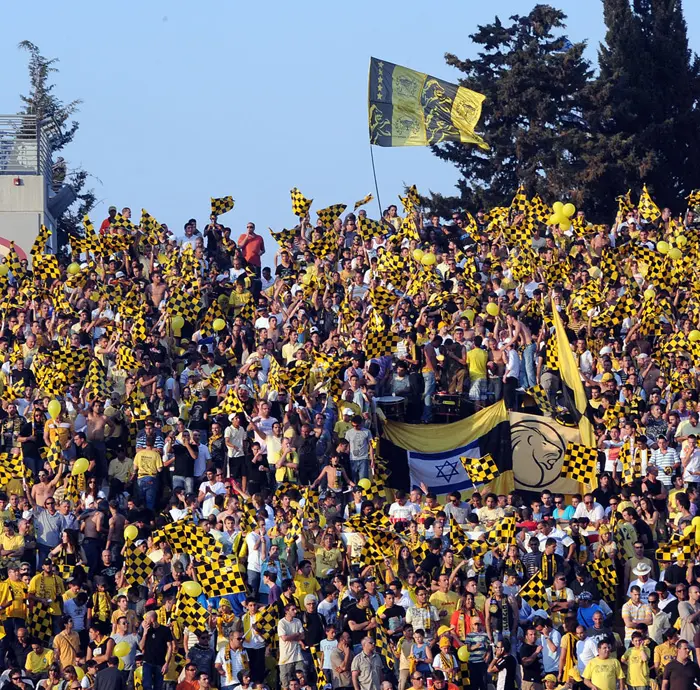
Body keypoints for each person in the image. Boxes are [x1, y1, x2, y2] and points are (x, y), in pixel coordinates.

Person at [139, 611, 174, 690]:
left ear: (151, 619)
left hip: (160, 663)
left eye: (146, 619)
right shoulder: (146, 630)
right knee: (147, 686)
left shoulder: (165, 630)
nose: (145, 621)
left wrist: (166, 663)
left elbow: (170, 647)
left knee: (158, 687)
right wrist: (144, 633)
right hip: (147, 662)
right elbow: (141, 647)